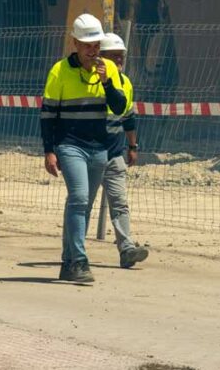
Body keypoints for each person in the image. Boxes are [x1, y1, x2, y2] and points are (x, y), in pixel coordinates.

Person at [41, 14, 127, 283]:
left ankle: (68, 262)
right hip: (70, 146)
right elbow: (48, 114)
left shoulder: (108, 70)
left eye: (96, 45)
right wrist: (49, 150)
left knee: (82, 205)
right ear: (75, 43)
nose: (93, 50)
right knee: (78, 198)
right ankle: (79, 259)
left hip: (99, 148)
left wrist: (107, 82)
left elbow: (120, 107)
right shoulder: (59, 71)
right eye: (88, 45)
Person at [95, 33, 149, 268]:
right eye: (113, 56)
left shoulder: (125, 83)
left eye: (121, 56)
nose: (119, 61)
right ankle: (74, 252)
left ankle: (126, 249)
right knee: (81, 203)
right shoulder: (91, 81)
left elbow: (128, 116)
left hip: (114, 153)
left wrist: (133, 146)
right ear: (101, 57)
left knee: (119, 203)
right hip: (89, 152)